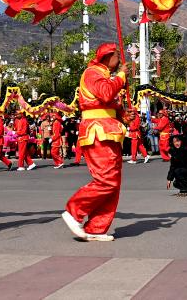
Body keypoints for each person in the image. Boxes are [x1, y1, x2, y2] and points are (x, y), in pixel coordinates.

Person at [61, 43, 127, 242]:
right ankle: (74, 211)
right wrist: (121, 77)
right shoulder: (92, 73)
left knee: (113, 185)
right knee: (106, 181)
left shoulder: (105, 75)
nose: (120, 60)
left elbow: (110, 104)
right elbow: (106, 93)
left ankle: (96, 228)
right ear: (108, 56)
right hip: (98, 131)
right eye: (117, 55)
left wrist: (125, 115)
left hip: (109, 131)